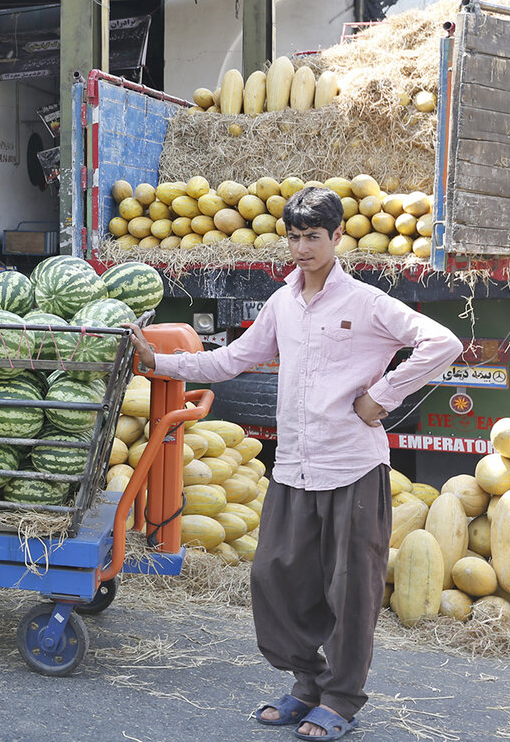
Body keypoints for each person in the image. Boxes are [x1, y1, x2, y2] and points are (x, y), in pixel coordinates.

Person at [127, 187, 462, 741]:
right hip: (295, 467)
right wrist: (158, 360)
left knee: (350, 589)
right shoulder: (282, 302)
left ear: (337, 238)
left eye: (314, 237)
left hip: (352, 466)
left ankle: (341, 700)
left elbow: (441, 342)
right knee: (275, 577)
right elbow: (234, 358)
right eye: (295, 237)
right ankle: (308, 681)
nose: (303, 248)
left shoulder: (367, 302)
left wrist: (383, 394)